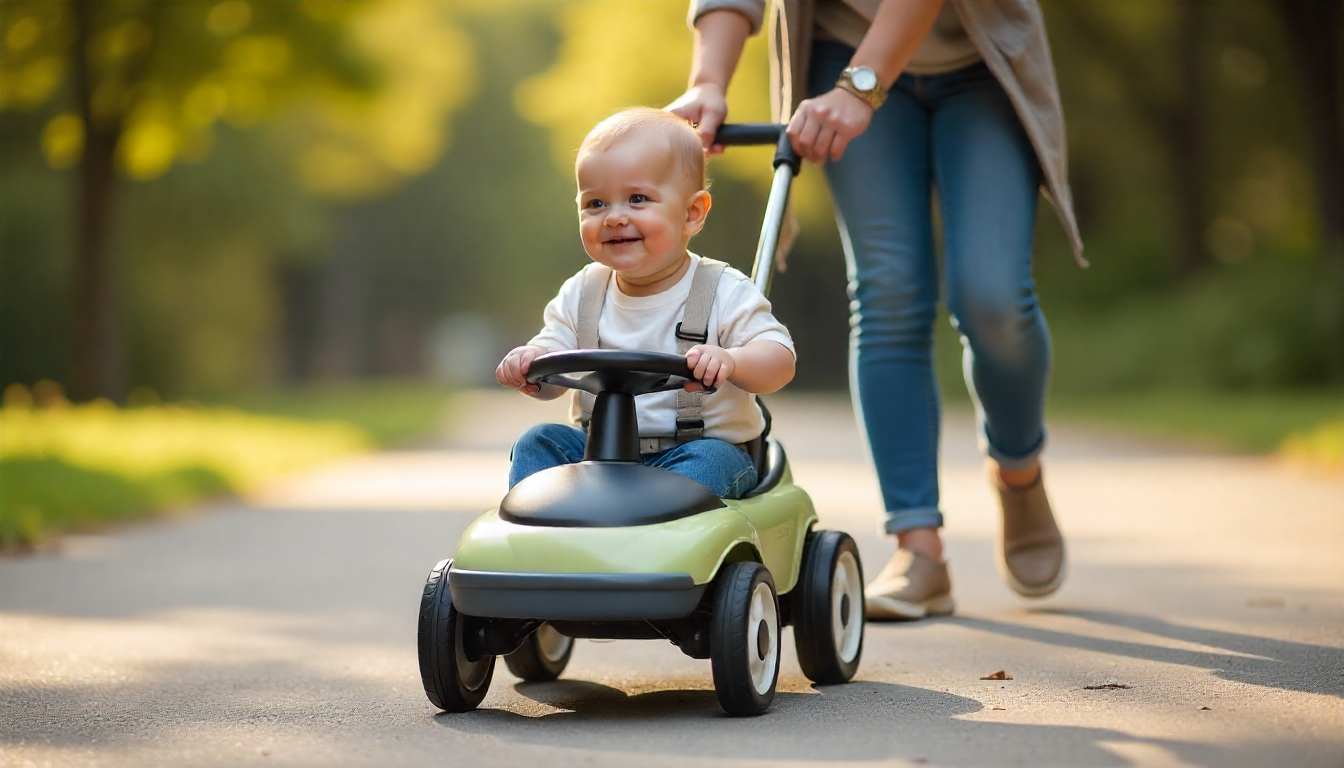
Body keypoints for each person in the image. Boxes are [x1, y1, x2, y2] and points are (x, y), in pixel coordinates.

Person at [669, 0, 1085, 618]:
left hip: (982, 56)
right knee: (887, 292)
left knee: (993, 296)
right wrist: (708, 80)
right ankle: (919, 549)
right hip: (840, 44)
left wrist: (860, 87)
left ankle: (1017, 468)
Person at [496, 107, 796, 499]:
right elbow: (554, 369)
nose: (614, 218)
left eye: (637, 199)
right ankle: (540, 537)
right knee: (539, 440)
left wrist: (734, 361)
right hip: (598, 455)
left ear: (692, 213)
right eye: (596, 204)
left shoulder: (722, 288)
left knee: (710, 461)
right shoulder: (582, 292)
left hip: (698, 450)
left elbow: (780, 361)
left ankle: (663, 538)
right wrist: (531, 363)